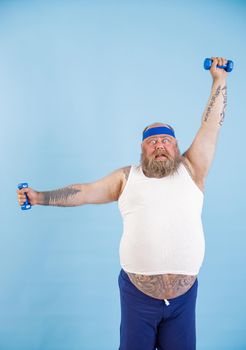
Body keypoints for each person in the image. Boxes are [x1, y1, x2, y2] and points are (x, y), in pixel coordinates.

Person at [17, 57, 228, 350]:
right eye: (152, 141)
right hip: (137, 298)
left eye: (166, 140)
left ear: (177, 147)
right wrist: (39, 197)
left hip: (183, 299)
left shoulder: (192, 170)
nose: (159, 145)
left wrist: (219, 81)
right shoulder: (126, 178)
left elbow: (211, 127)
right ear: (142, 149)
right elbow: (84, 192)